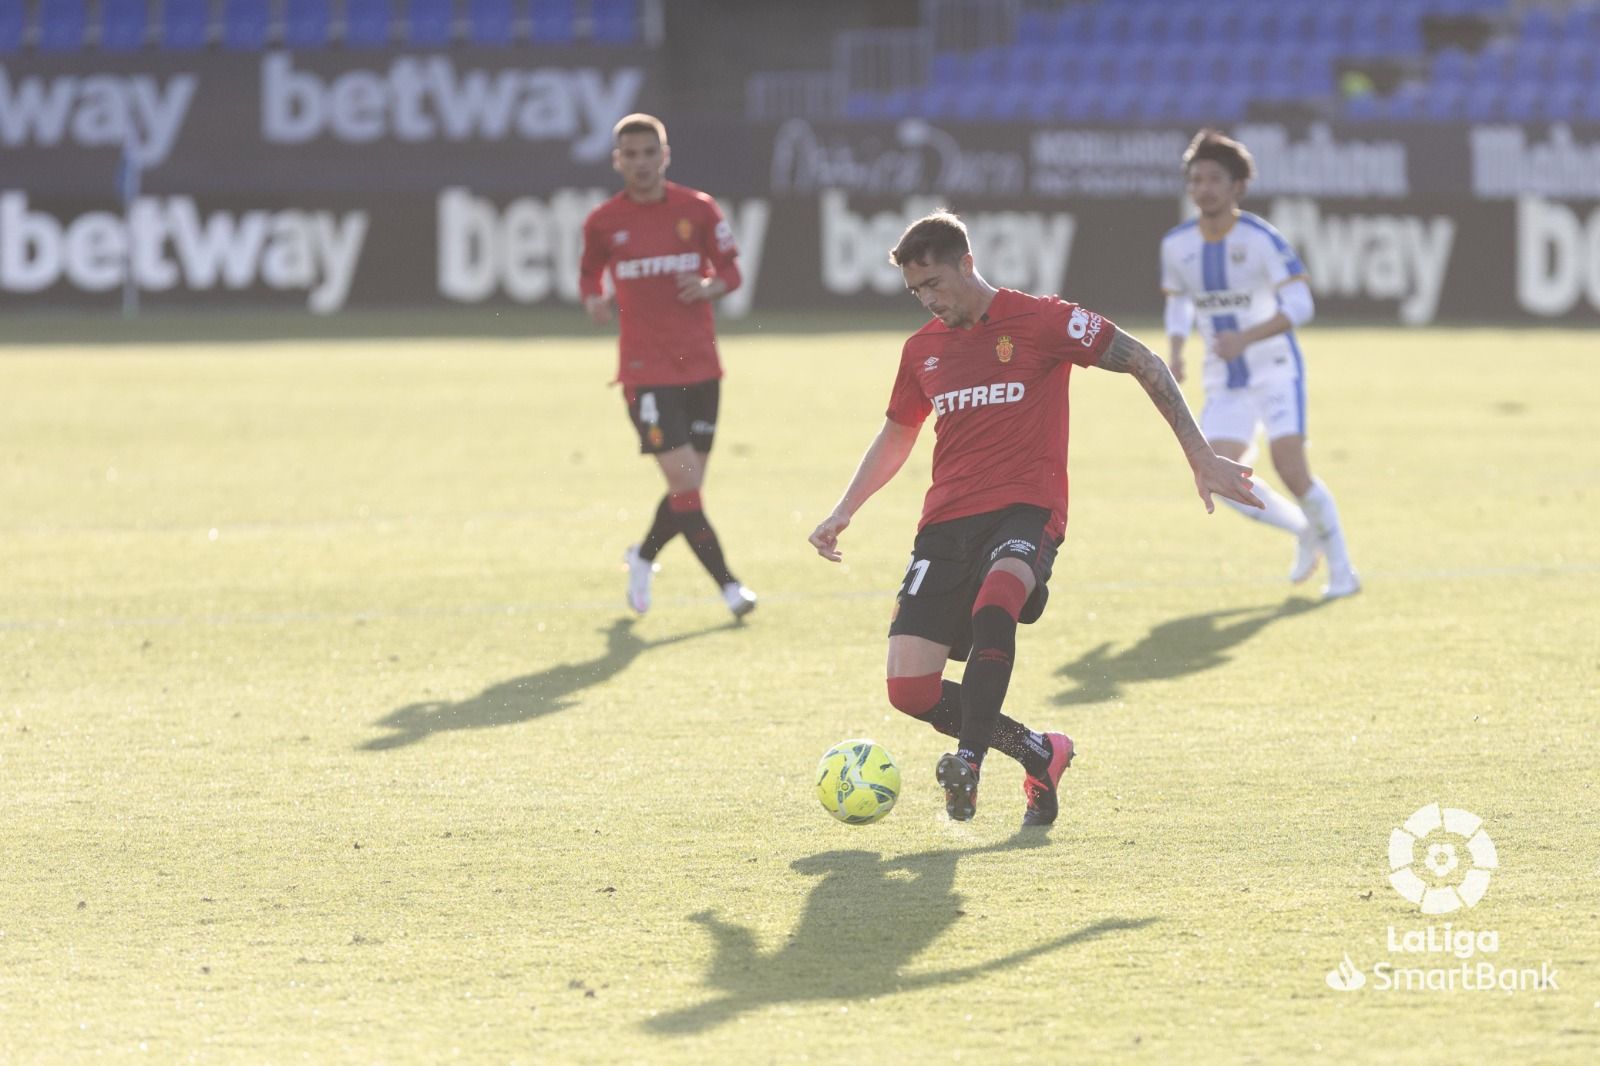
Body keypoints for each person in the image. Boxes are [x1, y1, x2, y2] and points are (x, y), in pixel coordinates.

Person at [808, 211, 1262, 826]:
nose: (928, 301)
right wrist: (844, 509)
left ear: (968, 263)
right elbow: (897, 434)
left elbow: (1145, 362)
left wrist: (1200, 454)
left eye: (935, 284)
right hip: (945, 524)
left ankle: (967, 761)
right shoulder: (922, 350)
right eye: (916, 292)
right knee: (909, 690)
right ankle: (1040, 752)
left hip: (1028, 509)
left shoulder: (1042, 319)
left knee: (997, 603)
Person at [1161, 129, 1360, 599]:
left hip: (1273, 368)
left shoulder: (1262, 240)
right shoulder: (1176, 245)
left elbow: (1301, 304)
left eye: (1214, 179)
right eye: (1196, 179)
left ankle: (1344, 573)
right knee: (1220, 472)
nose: (1203, 188)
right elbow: (1179, 303)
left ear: (1237, 188)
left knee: (1291, 469)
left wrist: (1245, 337)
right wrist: (1174, 350)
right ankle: (1302, 530)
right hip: (1224, 379)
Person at [579, 113, 756, 619]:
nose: (639, 163)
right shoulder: (603, 222)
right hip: (644, 371)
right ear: (617, 161)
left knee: (687, 489)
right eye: (629, 155)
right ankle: (729, 586)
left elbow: (732, 270)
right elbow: (589, 271)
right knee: (684, 485)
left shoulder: (696, 210)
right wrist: (594, 298)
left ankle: (643, 556)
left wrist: (709, 287)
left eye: (648, 153)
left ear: (665, 155)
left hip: (701, 365)